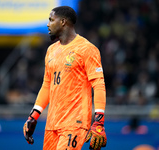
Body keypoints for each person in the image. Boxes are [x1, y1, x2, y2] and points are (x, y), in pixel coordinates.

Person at [23, 6, 107, 150]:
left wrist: (99, 121)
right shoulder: (51, 51)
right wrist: (33, 116)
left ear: (63, 22)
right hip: (52, 124)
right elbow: (47, 85)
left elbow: (98, 84)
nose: (48, 24)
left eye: (51, 20)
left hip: (74, 122)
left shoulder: (87, 49)